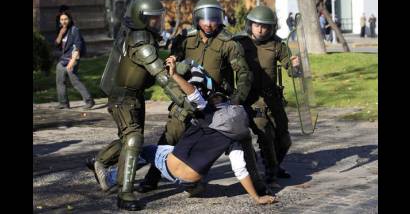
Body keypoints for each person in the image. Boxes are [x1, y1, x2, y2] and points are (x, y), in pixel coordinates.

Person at [95, 57, 278, 206]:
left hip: (169, 165)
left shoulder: (209, 113)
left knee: (142, 151)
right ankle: (193, 187)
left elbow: (193, 94)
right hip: (191, 178)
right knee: (196, 169)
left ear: (215, 100)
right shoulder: (237, 133)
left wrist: (174, 74)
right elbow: (240, 170)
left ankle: (110, 176)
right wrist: (257, 198)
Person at [137, 0, 267, 196]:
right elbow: (173, 67)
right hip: (188, 99)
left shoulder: (228, 44)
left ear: (220, 19)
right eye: (204, 18)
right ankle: (152, 179)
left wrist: (235, 102)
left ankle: (257, 185)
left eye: (213, 18)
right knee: (170, 135)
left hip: (217, 104)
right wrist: (175, 69)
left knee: (242, 140)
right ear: (197, 19)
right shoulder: (185, 40)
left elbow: (244, 75)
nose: (209, 23)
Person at [90, 0, 198, 211]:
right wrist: (185, 101)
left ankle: (100, 161)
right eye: (153, 19)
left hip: (134, 96)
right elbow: (161, 77)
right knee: (134, 138)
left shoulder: (145, 36)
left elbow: (154, 71)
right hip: (123, 98)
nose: (158, 23)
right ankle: (125, 193)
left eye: (159, 18)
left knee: (130, 139)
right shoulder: (140, 41)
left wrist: (181, 68)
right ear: (141, 19)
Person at [234, 6, 300, 187]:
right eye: (257, 25)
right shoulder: (240, 43)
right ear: (250, 25)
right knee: (266, 136)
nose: (261, 29)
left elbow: (291, 69)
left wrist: (295, 66)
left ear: (272, 28)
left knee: (284, 140)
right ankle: (270, 174)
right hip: (252, 100)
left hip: (274, 100)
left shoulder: (277, 44)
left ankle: (275, 166)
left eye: (265, 26)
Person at [54, 11, 95, 109]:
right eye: (62, 19)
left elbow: (78, 45)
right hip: (63, 60)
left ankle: (89, 101)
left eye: (65, 19)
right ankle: (63, 103)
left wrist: (72, 61)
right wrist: (60, 33)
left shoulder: (74, 30)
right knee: (60, 81)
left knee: (75, 81)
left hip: (72, 58)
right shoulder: (62, 31)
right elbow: (57, 44)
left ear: (70, 19)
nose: (64, 21)